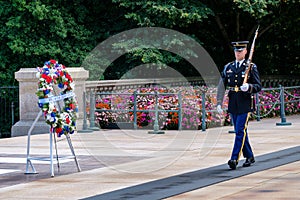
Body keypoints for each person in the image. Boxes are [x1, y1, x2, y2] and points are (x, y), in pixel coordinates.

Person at [216, 41, 262, 170]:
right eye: (236, 51)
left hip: (245, 103)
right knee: (240, 131)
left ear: (246, 52)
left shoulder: (251, 67)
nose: (238, 53)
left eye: (240, 51)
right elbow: (222, 86)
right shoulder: (228, 67)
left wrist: (249, 87)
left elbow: (258, 86)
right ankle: (250, 156)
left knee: (240, 131)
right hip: (233, 103)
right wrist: (219, 102)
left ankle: (234, 158)